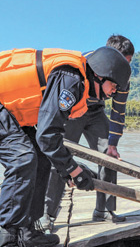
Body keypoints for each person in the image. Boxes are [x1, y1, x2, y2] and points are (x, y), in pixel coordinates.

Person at [0, 46, 131, 247]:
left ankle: (28, 231)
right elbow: (48, 136)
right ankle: (5, 245)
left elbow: (48, 140)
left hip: (11, 112)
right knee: (23, 159)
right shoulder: (71, 80)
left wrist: (69, 169)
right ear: (100, 76)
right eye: (114, 86)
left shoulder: (77, 80)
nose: (113, 92)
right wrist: (73, 170)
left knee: (39, 158)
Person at [43, 35, 134, 227]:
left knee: (108, 156)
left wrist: (113, 144)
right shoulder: (87, 62)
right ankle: (48, 214)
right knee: (59, 154)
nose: (123, 71)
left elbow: (118, 111)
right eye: (122, 63)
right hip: (74, 110)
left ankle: (104, 210)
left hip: (95, 112)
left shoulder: (124, 78)